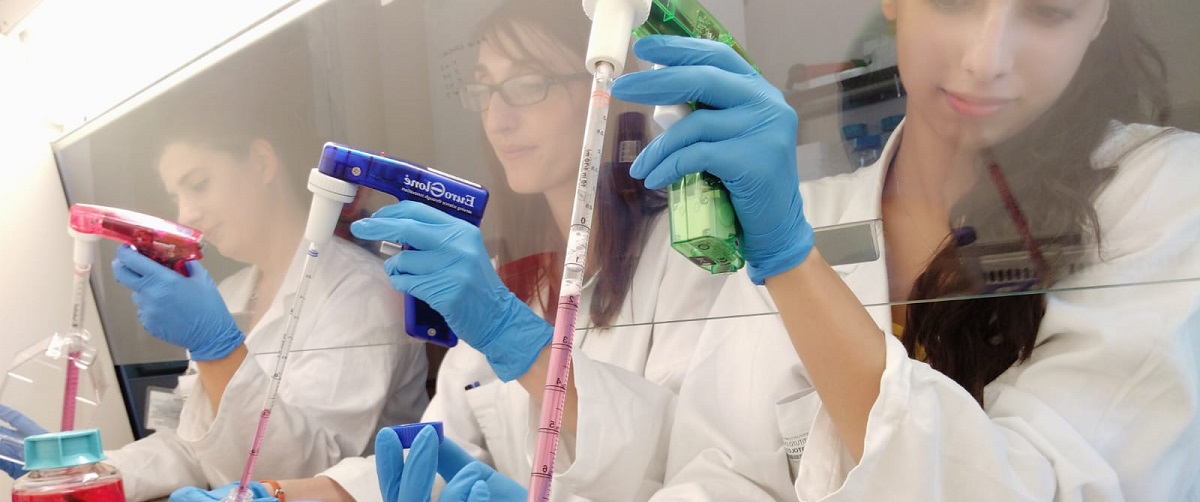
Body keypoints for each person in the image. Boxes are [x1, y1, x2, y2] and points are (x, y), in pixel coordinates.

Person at [171, 1, 800, 501]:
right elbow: (440, 453)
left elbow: (698, 465)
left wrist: (519, 343)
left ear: (605, 86)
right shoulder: (504, 281)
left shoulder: (697, 260)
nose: (497, 119)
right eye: (483, 91)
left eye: (527, 85)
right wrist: (282, 494)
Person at [603, 0, 1200, 499]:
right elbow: (721, 471)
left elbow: (1033, 487)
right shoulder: (808, 213)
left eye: (1047, 12)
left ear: (1099, 17)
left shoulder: (1167, 194)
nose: (986, 60)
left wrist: (793, 262)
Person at [0, 95, 430, 500]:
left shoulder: (360, 292)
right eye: (176, 196)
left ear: (261, 163)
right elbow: (196, 446)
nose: (185, 214)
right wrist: (85, 472)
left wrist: (217, 350)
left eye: (198, 184)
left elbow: (300, 474)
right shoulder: (231, 294)